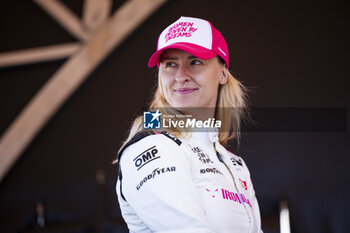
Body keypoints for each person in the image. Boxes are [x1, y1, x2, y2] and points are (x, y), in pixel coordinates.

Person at [115, 16, 263, 233]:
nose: (180, 75)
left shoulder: (234, 163)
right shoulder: (151, 147)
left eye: (195, 62)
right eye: (170, 64)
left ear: (223, 73)